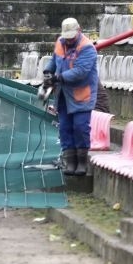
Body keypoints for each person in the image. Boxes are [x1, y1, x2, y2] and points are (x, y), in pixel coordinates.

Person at [43, 17, 98, 176]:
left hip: (81, 96)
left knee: (80, 127)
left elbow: (81, 72)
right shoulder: (60, 42)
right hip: (63, 95)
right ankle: (70, 161)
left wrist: (59, 78)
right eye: (66, 37)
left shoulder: (87, 48)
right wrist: (48, 72)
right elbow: (55, 60)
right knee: (65, 128)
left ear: (79, 31)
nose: (68, 40)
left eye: (71, 37)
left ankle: (82, 162)